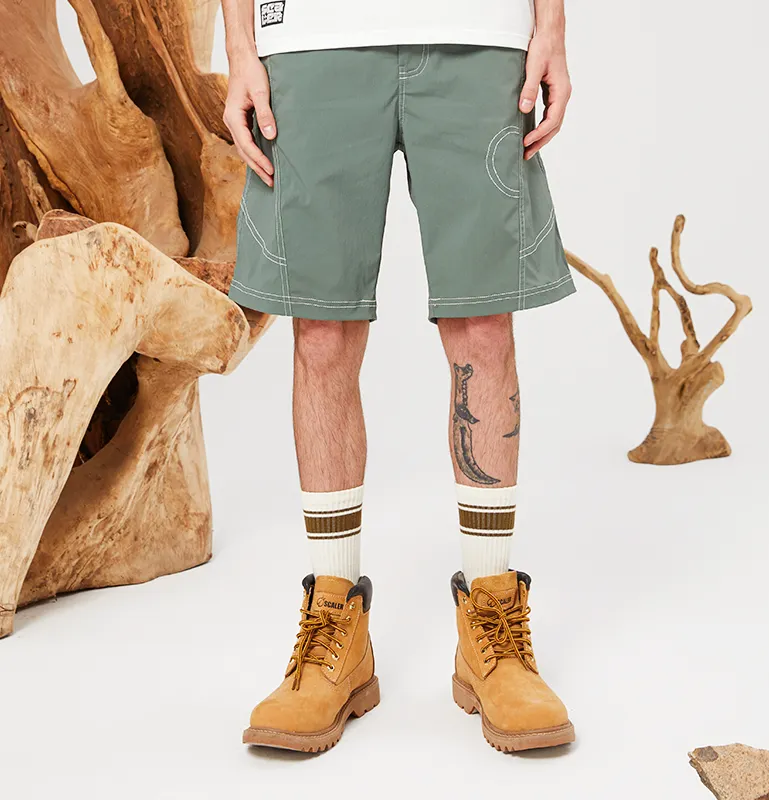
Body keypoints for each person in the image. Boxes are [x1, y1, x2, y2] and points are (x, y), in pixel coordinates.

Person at [222, 0, 576, 753]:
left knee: (483, 325)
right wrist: (240, 44)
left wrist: (551, 28)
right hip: (312, 38)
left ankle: (492, 618)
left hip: (478, 33)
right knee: (322, 331)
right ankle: (335, 619)